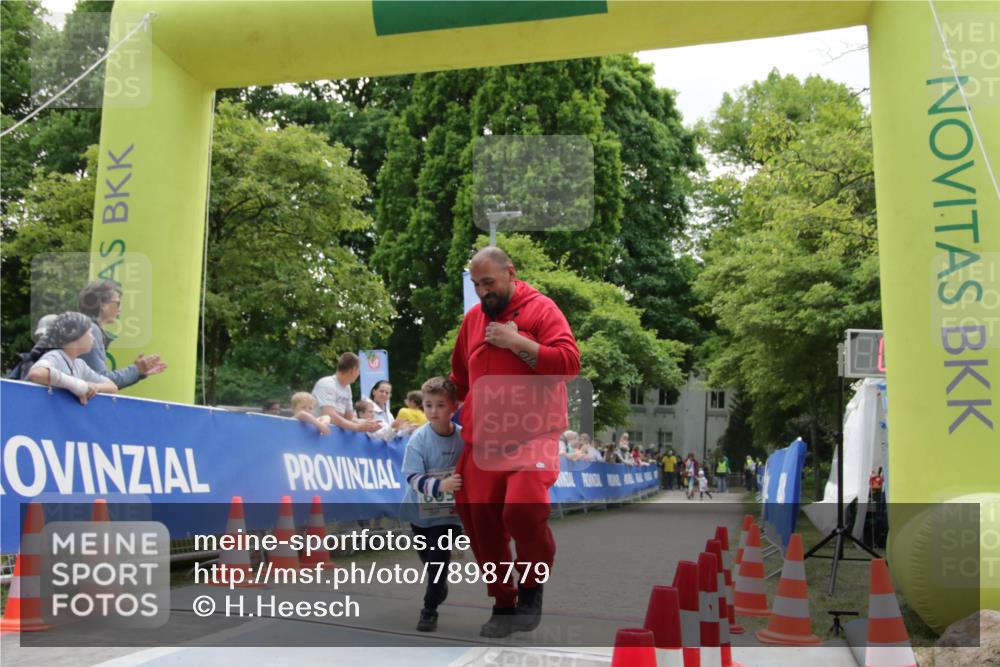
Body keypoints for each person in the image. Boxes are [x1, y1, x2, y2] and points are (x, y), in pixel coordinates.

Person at [450, 246, 580, 638]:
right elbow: (459, 380)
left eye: (488, 282)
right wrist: (438, 420)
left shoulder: (542, 309)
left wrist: (517, 341)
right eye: (476, 285)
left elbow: (570, 365)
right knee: (481, 524)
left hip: (533, 435)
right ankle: (503, 603)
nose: (482, 292)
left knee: (522, 510)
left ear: (510, 272)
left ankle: (531, 585)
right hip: (482, 440)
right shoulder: (472, 320)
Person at [400, 377, 464, 633]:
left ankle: (429, 610)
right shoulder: (418, 440)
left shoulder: (462, 438)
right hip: (419, 513)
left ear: (454, 407)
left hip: (449, 516)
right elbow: (412, 477)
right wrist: (441, 486)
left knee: (438, 560)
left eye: (440, 405)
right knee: (430, 562)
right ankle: (439, 587)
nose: (434, 411)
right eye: (428, 405)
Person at [77, 280, 167, 389]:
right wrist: (136, 370)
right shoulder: (91, 330)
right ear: (102, 305)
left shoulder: (84, 327)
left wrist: (138, 372)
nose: (120, 309)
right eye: (117, 303)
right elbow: (101, 381)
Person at [26, 311, 118, 403]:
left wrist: (95, 387)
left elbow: (113, 387)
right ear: (76, 335)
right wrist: (77, 385)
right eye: (89, 333)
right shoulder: (55, 356)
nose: (93, 338)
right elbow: (36, 374)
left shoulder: (80, 365)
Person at [312, 352, 381, 434]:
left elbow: (349, 418)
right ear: (353, 370)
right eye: (359, 371)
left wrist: (367, 424)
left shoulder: (347, 388)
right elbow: (330, 415)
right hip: (315, 436)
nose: (359, 374)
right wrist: (357, 427)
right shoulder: (327, 383)